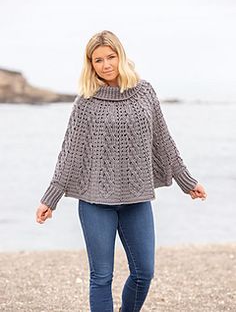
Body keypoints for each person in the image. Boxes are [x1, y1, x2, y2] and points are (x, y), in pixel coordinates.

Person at [36, 30, 207, 312]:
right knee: (101, 277)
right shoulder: (86, 103)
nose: (106, 65)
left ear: (121, 56)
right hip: (95, 203)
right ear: (90, 64)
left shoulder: (145, 92)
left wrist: (186, 182)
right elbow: (70, 154)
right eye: (98, 60)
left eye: (111, 57)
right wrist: (50, 199)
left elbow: (163, 140)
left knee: (144, 273)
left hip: (136, 199)